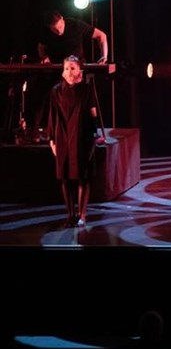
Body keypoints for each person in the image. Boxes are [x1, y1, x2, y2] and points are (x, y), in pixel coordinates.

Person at [47, 55, 99, 226]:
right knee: (65, 177)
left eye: (73, 68)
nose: (69, 72)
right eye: (66, 68)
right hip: (62, 136)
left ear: (79, 71)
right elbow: (52, 116)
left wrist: (94, 135)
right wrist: (52, 139)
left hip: (81, 136)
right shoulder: (56, 91)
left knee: (83, 176)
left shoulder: (86, 90)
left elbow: (93, 114)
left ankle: (81, 214)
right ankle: (70, 215)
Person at [37, 10, 108, 64]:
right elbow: (41, 46)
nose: (59, 32)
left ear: (62, 19)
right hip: (56, 68)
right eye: (55, 30)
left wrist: (104, 56)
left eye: (60, 27)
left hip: (76, 66)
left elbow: (101, 35)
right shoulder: (46, 31)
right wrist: (44, 57)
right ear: (49, 27)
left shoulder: (76, 25)